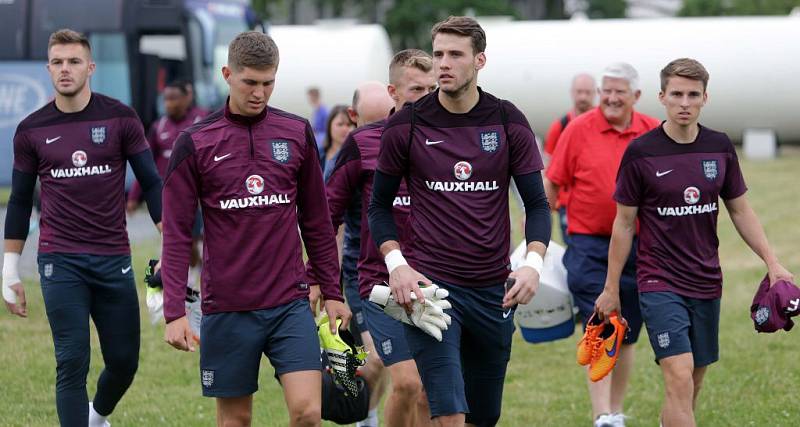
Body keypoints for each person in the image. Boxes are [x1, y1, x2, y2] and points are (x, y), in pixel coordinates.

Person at [368, 16, 551, 426]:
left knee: (483, 416)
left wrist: (532, 265)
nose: (443, 64)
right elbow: (378, 207)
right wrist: (398, 266)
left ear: (479, 60)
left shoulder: (507, 121)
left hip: (493, 292)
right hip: (432, 292)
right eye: (438, 54)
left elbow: (537, 205)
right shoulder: (407, 125)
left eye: (455, 54)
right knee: (448, 413)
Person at [161, 31, 350, 427]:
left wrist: (332, 292)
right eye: (250, 82)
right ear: (228, 74)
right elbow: (177, 233)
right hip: (227, 307)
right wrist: (174, 310)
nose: (260, 92)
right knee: (236, 421)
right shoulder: (194, 142)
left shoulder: (296, 133)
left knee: (309, 413)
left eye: (268, 83)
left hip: (289, 303)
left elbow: (316, 221)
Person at [594, 58, 793, 427]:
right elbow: (623, 224)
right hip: (658, 282)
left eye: (693, 95)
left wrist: (773, 262)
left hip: (706, 280)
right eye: (676, 94)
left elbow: (740, 210)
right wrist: (611, 288)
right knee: (680, 374)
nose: (684, 102)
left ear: (705, 98)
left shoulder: (719, 147)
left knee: (692, 380)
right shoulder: (641, 152)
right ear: (661, 97)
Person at [2, 29, 163, 427]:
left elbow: (154, 184)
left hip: (113, 260)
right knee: (72, 360)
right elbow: (20, 200)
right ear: (48, 68)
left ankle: (97, 417)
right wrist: (9, 268)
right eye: (57, 62)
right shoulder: (31, 129)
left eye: (73, 61)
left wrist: (172, 243)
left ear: (90, 67)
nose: (65, 69)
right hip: (60, 261)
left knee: (124, 362)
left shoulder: (121, 118)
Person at [325, 50, 438, 427]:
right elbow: (326, 215)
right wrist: (321, 279)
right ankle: (365, 415)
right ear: (394, 92)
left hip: (434, 281)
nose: (425, 96)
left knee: (424, 391)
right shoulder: (363, 143)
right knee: (405, 382)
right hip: (376, 282)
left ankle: (368, 413)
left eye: (431, 88)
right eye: (415, 88)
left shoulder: (448, 139)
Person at [545, 62, 660, 427]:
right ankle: (601, 415)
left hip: (640, 245)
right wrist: (537, 235)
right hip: (589, 244)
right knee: (602, 323)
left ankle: (615, 410)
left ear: (636, 97)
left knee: (626, 330)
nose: (610, 98)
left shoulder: (653, 132)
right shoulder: (577, 130)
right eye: (605, 90)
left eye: (618, 92)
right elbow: (552, 184)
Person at [127, 78, 207, 297]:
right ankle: (187, 281)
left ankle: (197, 278)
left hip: (197, 195)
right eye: (166, 99)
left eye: (174, 98)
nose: (169, 103)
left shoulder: (202, 120)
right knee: (178, 238)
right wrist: (134, 197)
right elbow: (145, 165)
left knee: (195, 238)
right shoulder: (158, 126)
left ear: (187, 98)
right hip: (168, 196)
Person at [543, 73, 596, 244]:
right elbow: (548, 169)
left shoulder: (605, 124)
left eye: (588, 92)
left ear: (595, 94)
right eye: (579, 92)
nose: (583, 97)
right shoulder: (560, 126)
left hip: (597, 204)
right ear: (572, 93)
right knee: (574, 250)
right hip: (568, 205)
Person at [320, 105, 355, 175]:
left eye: (349, 124)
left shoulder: (358, 157)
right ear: (329, 126)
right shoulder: (318, 154)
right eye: (340, 124)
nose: (344, 129)